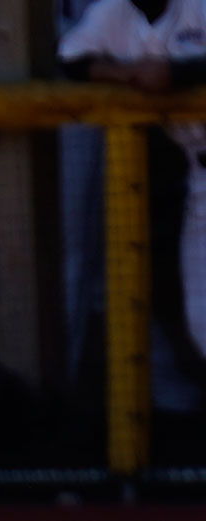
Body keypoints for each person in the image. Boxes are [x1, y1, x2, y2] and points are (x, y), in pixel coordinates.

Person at [60, 0, 206, 424]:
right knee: (201, 322)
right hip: (199, 177)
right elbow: (69, 57)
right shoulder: (113, 11)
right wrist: (123, 73)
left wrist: (175, 75)